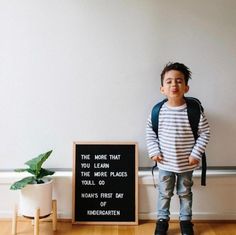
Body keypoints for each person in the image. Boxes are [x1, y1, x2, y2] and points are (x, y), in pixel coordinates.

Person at [146, 62, 210, 235]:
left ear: (186, 87)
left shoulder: (193, 111)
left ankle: (185, 221)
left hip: (186, 165)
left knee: (185, 193)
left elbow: (204, 133)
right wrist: (154, 152)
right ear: (162, 89)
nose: (174, 84)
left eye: (179, 81)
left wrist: (196, 153)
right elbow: (151, 133)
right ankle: (162, 220)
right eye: (169, 81)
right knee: (164, 193)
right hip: (165, 163)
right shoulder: (158, 111)